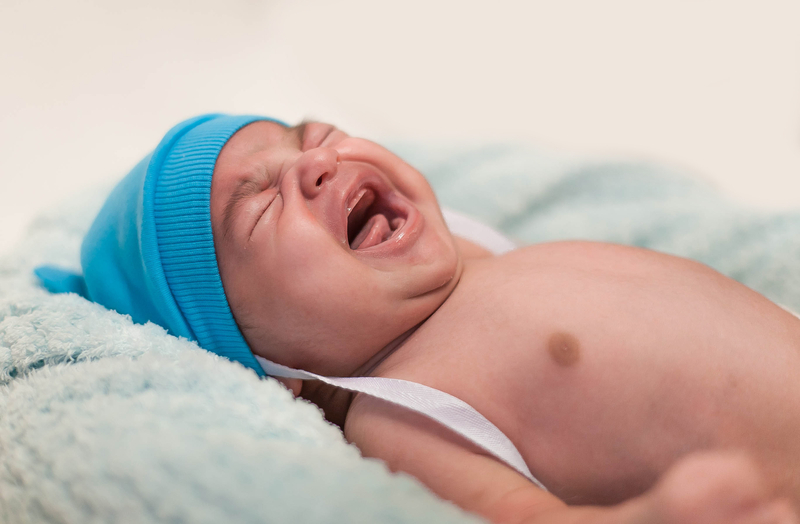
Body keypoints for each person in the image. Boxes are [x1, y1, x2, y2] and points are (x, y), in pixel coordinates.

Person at [37, 114, 800, 524]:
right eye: (261, 205)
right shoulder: (406, 412)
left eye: (312, 135)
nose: (317, 162)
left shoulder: (481, 255)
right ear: (272, 371)